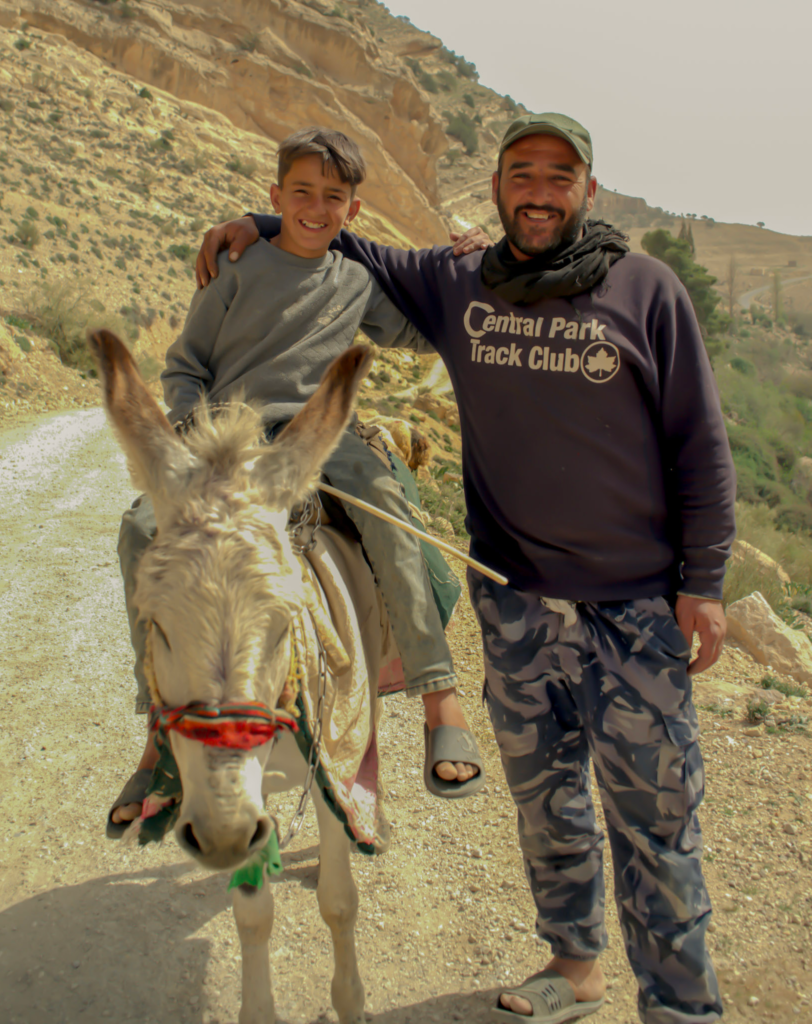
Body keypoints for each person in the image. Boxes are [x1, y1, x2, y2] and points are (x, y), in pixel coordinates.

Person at [196, 112, 735, 1024]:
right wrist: (256, 220)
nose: (537, 190)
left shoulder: (647, 290)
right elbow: (335, 237)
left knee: (654, 823)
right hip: (516, 606)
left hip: (631, 608)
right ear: (495, 188)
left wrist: (706, 580)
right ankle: (574, 969)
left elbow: (698, 438)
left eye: (558, 177)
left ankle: (682, 1009)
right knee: (546, 805)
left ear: (587, 191)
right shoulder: (459, 282)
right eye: (520, 172)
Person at [108, 127, 489, 839]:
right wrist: (192, 430)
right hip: (229, 435)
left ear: (352, 207)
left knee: (385, 504)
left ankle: (441, 700)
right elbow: (187, 363)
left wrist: (469, 271)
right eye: (302, 193)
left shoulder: (356, 280)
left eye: (333, 197)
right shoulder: (236, 269)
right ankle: (159, 728)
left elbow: (418, 330)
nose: (316, 208)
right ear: (275, 194)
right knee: (138, 528)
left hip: (320, 435)